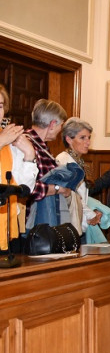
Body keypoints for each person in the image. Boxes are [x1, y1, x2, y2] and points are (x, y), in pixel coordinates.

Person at [0, 86, 38, 250]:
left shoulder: (9, 141)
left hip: (8, 222)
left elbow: (24, 187)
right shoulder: (4, 139)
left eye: (0, 106)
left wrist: (29, 154)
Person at [25, 99, 69, 223]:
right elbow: (28, 187)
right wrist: (58, 189)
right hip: (30, 221)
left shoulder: (41, 146)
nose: (60, 129)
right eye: (61, 125)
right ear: (53, 124)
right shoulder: (25, 144)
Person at [56, 118, 102, 233]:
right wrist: (90, 214)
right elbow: (71, 193)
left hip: (79, 221)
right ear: (69, 139)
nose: (88, 142)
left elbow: (82, 194)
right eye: (82, 137)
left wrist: (93, 210)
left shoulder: (79, 161)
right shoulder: (64, 161)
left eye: (89, 137)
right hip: (68, 222)